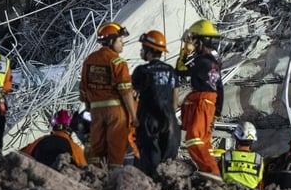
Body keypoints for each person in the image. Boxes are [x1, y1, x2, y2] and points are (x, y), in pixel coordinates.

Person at [79, 22, 138, 167]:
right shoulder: (118, 62)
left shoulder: (89, 61)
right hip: (116, 112)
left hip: (96, 112)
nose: (122, 43)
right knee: (116, 151)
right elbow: (126, 92)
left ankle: (96, 176)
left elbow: (83, 90)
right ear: (111, 41)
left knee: (97, 150)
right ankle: (115, 175)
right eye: (120, 40)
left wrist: (89, 109)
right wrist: (134, 116)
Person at [176, 19, 223, 176]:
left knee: (194, 138)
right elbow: (220, 89)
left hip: (202, 102)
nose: (193, 44)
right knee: (204, 142)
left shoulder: (201, 61)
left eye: (194, 40)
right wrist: (217, 112)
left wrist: (185, 51)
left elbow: (180, 69)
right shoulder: (214, 63)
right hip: (209, 104)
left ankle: (212, 172)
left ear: (201, 41)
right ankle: (210, 174)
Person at [133, 30, 180, 179]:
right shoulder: (171, 71)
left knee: (149, 163)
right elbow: (175, 99)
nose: (141, 51)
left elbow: (132, 93)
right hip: (169, 120)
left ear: (149, 50)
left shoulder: (142, 71)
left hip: (149, 120)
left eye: (143, 48)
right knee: (168, 165)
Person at [20, 109, 88, 167]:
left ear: (54, 126)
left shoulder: (40, 141)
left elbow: (21, 154)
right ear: (70, 129)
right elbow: (84, 169)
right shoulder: (75, 148)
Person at [220, 121, 264, 189]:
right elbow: (260, 185)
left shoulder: (226, 156)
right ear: (253, 140)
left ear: (237, 138)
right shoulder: (259, 160)